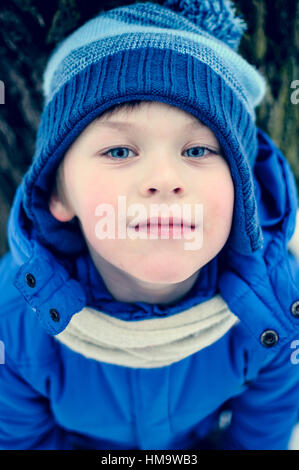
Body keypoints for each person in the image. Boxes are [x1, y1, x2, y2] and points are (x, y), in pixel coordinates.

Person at [0, 0, 299, 450]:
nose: (164, 180)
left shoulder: (277, 308)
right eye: (119, 152)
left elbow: (263, 432)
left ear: (243, 190)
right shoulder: (16, 321)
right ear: (57, 195)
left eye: (198, 150)